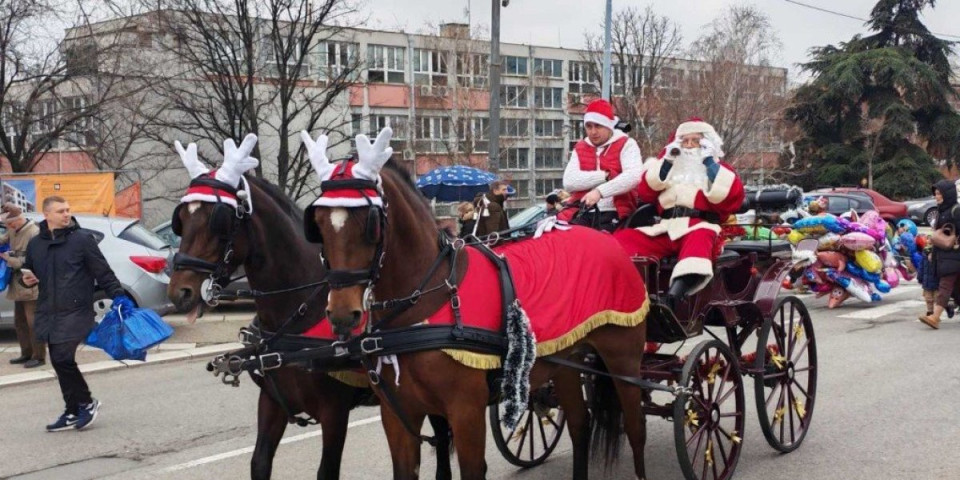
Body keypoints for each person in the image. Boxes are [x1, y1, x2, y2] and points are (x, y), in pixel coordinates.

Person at [22, 196, 134, 431]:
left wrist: (118, 296)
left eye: (68, 210)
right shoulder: (35, 245)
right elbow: (29, 273)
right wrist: (27, 279)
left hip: (76, 309)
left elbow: (103, 272)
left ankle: (86, 402)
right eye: (61, 211)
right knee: (59, 361)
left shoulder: (82, 239)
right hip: (49, 310)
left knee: (62, 357)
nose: (66, 214)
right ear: (47, 215)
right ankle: (71, 410)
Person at [613, 118, 745, 302]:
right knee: (624, 240)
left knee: (700, 240)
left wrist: (709, 161)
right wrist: (667, 161)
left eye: (696, 141)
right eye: (685, 141)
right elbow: (646, 191)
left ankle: (675, 297)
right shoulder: (667, 168)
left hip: (699, 225)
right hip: (665, 227)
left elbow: (730, 197)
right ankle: (630, 293)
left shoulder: (720, 170)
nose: (689, 146)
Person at [559, 99, 642, 231]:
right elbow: (569, 182)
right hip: (582, 211)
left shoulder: (627, 144)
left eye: (598, 126)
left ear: (609, 126)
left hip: (615, 212)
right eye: (589, 126)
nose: (593, 132)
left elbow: (633, 176)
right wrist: (605, 175)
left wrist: (600, 192)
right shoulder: (580, 147)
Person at [0, 203, 43, 368]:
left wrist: (7, 259)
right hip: (17, 282)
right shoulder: (13, 228)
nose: (8, 227)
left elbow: (35, 261)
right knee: (20, 322)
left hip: (30, 281)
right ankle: (26, 353)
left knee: (33, 322)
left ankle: (38, 356)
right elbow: (3, 239)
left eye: (10, 224)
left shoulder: (34, 233)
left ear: (19, 220)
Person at [920, 180, 960, 329]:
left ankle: (935, 317)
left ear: (947, 194)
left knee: (945, 286)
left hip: (954, 255)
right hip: (943, 255)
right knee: (955, 289)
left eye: (939, 193)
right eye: (935, 193)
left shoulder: (956, 211)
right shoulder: (941, 211)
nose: (936, 196)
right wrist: (932, 252)